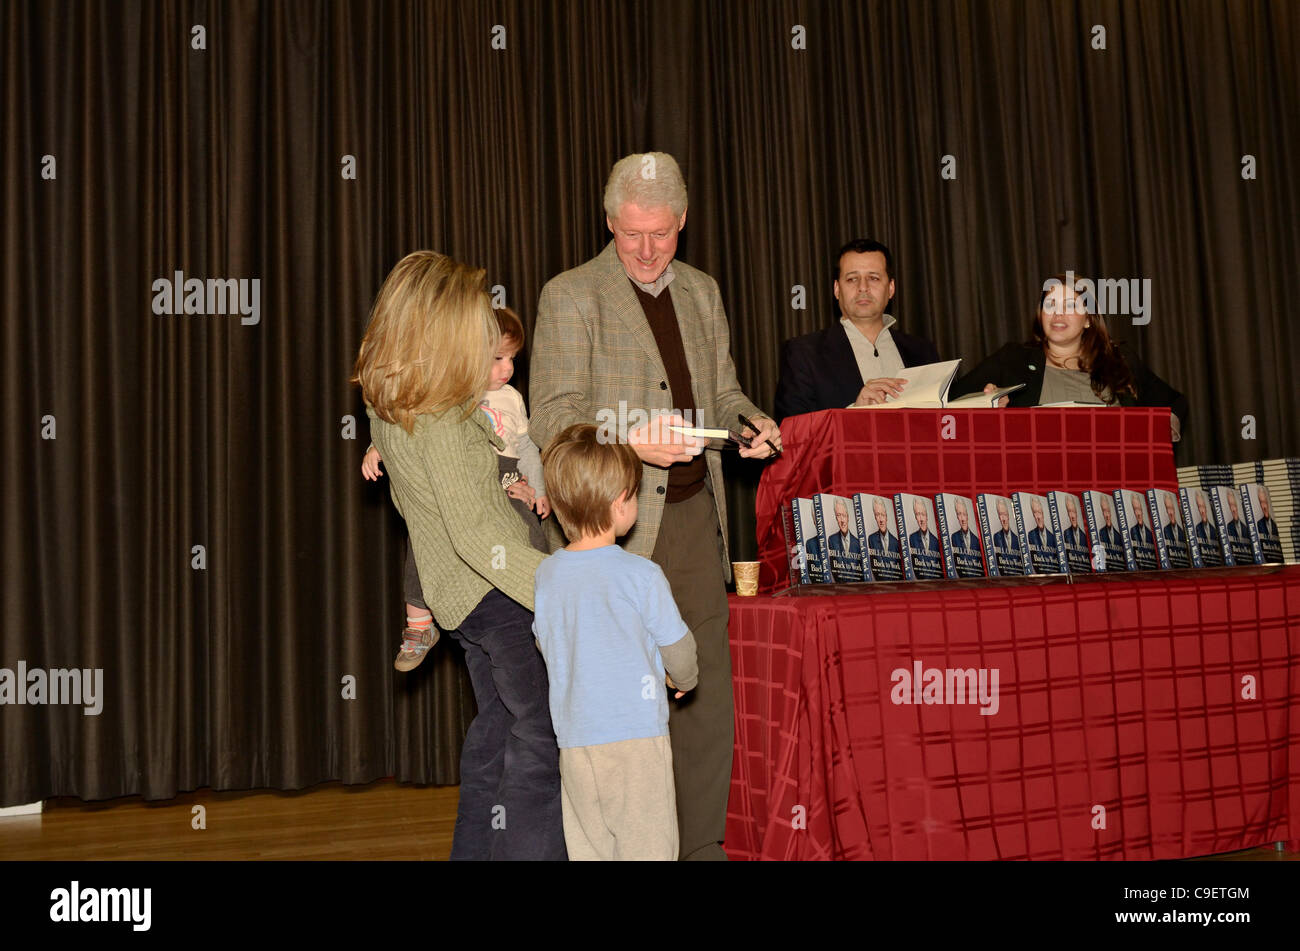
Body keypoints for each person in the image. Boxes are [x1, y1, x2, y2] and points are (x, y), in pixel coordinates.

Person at [529, 152, 780, 861]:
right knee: (619, 717)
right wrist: (627, 439)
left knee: (702, 697)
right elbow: (551, 418)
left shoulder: (702, 292)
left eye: (661, 234)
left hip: (696, 522)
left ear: (683, 222)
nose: (645, 249)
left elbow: (722, 396)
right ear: (609, 222)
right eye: (631, 233)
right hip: (608, 533)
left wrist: (749, 424)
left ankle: (700, 847)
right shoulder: (570, 295)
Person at [353, 251, 564, 860]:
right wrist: (567, 582)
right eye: (474, 321)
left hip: (464, 599)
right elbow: (477, 536)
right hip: (497, 596)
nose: (483, 334)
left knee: (496, 737)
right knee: (542, 740)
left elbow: (420, 505)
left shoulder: (394, 404)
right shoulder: (440, 418)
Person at [533, 424, 699, 860]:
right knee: (648, 845)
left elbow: (546, 642)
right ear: (619, 502)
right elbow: (678, 646)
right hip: (636, 742)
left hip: (574, 742)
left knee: (590, 847)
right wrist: (684, 676)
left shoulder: (547, 575)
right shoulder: (642, 575)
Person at [362, 305, 546, 670]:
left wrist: (537, 489)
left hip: (507, 480)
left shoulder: (511, 397)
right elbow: (406, 422)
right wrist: (374, 447)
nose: (506, 368)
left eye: (511, 358)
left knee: (534, 539)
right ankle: (418, 623)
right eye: (496, 358)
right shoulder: (452, 394)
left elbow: (526, 448)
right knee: (426, 537)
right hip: (469, 484)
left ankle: (545, 611)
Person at [950, 276, 1189, 442]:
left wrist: (1158, 431)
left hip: (1114, 495)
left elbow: (1174, 404)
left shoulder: (1119, 360)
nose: (1058, 313)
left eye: (1070, 305)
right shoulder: (1012, 359)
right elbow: (948, 404)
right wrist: (983, 405)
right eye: (1050, 304)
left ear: (1088, 319)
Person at [774, 238, 940, 420]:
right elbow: (792, 433)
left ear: (891, 288)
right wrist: (853, 413)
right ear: (837, 289)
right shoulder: (803, 354)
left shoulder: (923, 351)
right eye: (852, 279)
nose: (863, 288)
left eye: (873, 278)